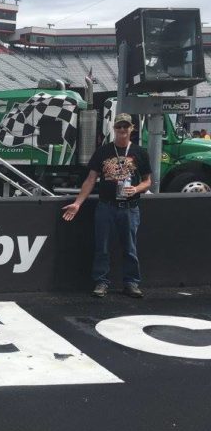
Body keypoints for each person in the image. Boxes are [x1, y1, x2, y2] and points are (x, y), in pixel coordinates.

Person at [62, 112, 152, 298]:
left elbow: (148, 182)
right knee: (101, 247)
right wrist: (78, 203)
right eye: (119, 126)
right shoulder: (103, 151)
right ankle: (101, 282)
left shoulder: (139, 152)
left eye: (125, 126)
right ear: (114, 128)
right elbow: (90, 179)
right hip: (106, 206)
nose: (122, 130)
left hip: (130, 208)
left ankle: (131, 283)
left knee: (130, 248)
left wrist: (135, 189)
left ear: (131, 128)